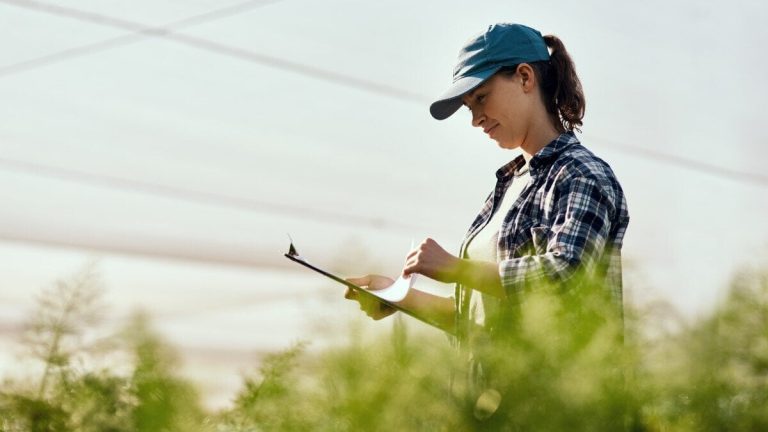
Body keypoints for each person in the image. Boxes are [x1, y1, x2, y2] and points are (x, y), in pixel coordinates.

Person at [344, 22, 629, 422]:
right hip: (496, 411)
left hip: (561, 412)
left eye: (481, 97)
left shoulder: (580, 174)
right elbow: (487, 320)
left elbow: (566, 277)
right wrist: (399, 296)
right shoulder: (509, 183)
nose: (476, 118)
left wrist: (457, 268)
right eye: (469, 108)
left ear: (525, 77)